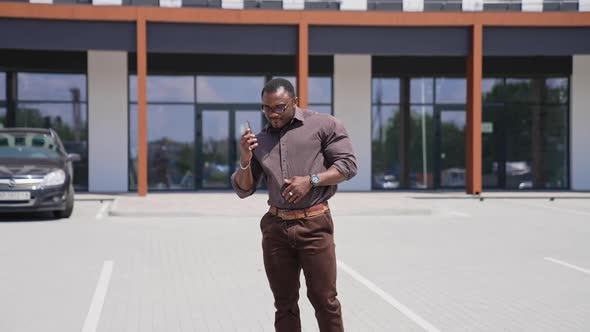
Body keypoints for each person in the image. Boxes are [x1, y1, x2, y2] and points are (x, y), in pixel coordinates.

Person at [231, 78, 357, 332]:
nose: (273, 114)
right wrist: (245, 159)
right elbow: (244, 190)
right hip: (276, 230)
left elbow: (347, 166)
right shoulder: (259, 141)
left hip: (314, 225)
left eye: (279, 107)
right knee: (284, 305)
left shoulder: (324, 125)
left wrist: (311, 181)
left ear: (294, 102)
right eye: (266, 108)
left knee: (325, 301)